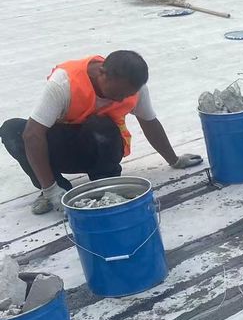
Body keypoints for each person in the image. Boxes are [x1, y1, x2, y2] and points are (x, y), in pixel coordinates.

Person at [1, 51, 201, 215]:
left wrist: (174, 160)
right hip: (68, 146)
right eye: (118, 93)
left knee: (101, 125)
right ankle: (56, 189)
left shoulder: (135, 87)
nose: (121, 99)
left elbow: (150, 123)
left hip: (105, 149)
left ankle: (105, 183)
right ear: (102, 73)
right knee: (12, 130)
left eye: (126, 95)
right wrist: (50, 189)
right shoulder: (64, 82)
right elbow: (33, 134)